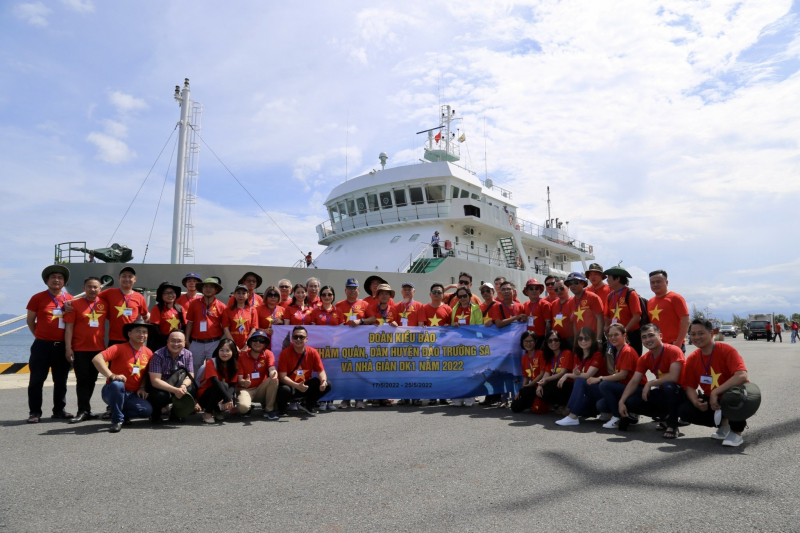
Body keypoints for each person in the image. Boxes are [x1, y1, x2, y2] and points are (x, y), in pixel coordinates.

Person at [677, 319, 751, 447]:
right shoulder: (693, 358)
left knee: (733, 397)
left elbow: (742, 375)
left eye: (701, 333)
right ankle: (724, 424)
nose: (696, 337)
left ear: (711, 333)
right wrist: (696, 402)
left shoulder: (726, 350)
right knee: (685, 410)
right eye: (693, 334)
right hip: (714, 401)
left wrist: (716, 392)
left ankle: (736, 431)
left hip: (734, 395)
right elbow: (690, 386)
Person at [616, 323, 685, 438]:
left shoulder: (674, 350)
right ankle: (664, 418)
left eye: (651, 335)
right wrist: (622, 401)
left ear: (660, 336)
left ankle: (672, 425)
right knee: (632, 401)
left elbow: (674, 377)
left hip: (681, 393)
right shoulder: (645, 358)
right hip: (664, 392)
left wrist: (651, 383)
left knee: (668, 386)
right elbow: (634, 381)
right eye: (644, 337)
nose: (648, 339)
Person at [25, 265, 75, 423]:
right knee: (36, 380)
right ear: (46, 280)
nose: (56, 280)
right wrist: (40, 336)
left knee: (61, 380)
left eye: (60, 278)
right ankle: (34, 412)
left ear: (64, 282)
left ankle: (59, 410)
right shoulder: (37, 298)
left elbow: (73, 323)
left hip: (61, 346)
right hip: (42, 346)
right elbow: (30, 320)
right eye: (53, 277)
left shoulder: (71, 299)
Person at [91, 318, 156, 433]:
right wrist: (111, 375)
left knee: (146, 411)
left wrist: (142, 387)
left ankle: (117, 411)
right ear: (129, 334)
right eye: (138, 331)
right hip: (112, 391)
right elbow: (97, 359)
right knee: (117, 384)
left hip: (132, 394)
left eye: (145, 332)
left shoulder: (148, 352)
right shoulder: (118, 348)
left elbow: (146, 372)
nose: (142, 334)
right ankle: (117, 420)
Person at [64, 276, 106, 424]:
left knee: (92, 380)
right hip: (80, 349)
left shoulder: (104, 304)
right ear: (84, 289)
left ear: (100, 289)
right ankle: (82, 411)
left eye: (95, 287)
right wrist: (68, 348)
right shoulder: (75, 304)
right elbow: (68, 327)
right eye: (89, 286)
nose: (92, 289)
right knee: (82, 380)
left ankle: (87, 410)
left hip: (98, 349)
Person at [596, 324, 646, 429]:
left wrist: (600, 378)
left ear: (624, 335)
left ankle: (617, 417)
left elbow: (622, 375)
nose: (612, 338)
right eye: (610, 335)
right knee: (601, 404)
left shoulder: (627, 351)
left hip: (636, 389)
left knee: (604, 385)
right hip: (625, 387)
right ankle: (629, 412)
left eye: (616, 334)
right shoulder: (618, 350)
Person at [554, 327, 607, 426]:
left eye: (586, 338)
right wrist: (576, 374)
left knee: (580, 381)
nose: (583, 341)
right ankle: (576, 412)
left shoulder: (597, 355)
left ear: (592, 339)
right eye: (580, 338)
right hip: (589, 393)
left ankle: (572, 416)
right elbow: (577, 376)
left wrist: (567, 374)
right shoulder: (577, 356)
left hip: (600, 390)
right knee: (583, 410)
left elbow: (587, 375)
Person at [276, 326, 332, 417]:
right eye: (295, 337)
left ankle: (307, 404)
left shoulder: (313, 352)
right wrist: (297, 386)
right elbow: (282, 377)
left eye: (301, 337)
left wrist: (323, 382)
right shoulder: (285, 353)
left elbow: (321, 371)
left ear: (306, 339)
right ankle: (282, 409)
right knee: (283, 389)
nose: (298, 339)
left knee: (328, 384)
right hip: (291, 386)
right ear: (292, 339)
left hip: (305, 386)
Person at [146, 330, 196, 424]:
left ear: (184, 343)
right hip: (161, 387)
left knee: (191, 389)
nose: (176, 344)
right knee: (160, 396)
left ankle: (176, 413)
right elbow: (155, 381)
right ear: (167, 342)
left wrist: (184, 386)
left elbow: (190, 375)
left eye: (179, 341)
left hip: (179, 385)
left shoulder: (188, 354)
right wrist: (174, 390)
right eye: (173, 341)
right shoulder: (158, 355)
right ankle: (155, 414)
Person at [449, 286, 483, 408]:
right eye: (460, 296)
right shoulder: (454, 308)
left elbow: (479, 326)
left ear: (469, 295)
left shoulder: (475, 308)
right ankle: (458, 395)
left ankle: (470, 395)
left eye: (465, 296)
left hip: (471, 344)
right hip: (457, 345)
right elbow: (452, 325)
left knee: (470, 372)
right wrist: (454, 325)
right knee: (458, 371)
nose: (462, 298)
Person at [185, 277, 227, 376]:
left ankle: (210, 390)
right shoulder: (194, 304)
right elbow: (190, 322)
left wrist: (216, 339)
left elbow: (225, 326)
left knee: (214, 368)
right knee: (192, 368)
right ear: (202, 289)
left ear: (216, 290)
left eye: (211, 287)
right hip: (196, 342)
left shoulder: (221, 306)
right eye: (206, 286)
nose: (208, 289)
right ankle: (192, 389)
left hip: (214, 343)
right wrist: (186, 340)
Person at [97, 266, 149, 346]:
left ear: (135, 279)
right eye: (124, 276)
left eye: (130, 276)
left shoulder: (139, 297)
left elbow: (145, 316)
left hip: (133, 339)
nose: (127, 279)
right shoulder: (109, 293)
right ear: (119, 278)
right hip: (114, 339)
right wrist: (71, 304)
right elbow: (92, 298)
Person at [236, 330, 279, 420]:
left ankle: (269, 409)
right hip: (246, 389)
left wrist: (273, 374)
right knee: (243, 409)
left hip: (260, 388)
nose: (258, 343)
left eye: (261, 341)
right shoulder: (242, 356)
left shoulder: (268, 353)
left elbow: (272, 368)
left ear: (265, 344)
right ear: (250, 342)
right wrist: (244, 382)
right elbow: (239, 379)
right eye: (255, 340)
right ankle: (248, 406)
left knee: (274, 379)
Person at [420, 283, 452, 406]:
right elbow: (420, 325)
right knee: (430, 371)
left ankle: (443, 395)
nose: (437, 294)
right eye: (434, 292)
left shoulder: (448, 309)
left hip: (443, 345)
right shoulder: (424, 308)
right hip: (428, 344)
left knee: (443, 371)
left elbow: (451, 327)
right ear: (430, 294)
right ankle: (432, 395)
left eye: (439, 292)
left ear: (443, 295)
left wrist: (447, 327)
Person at [196, 339, 239, 424]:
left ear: (233, 352)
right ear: (217, 351)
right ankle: (207, 413)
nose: (224, 353)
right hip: (204, 395)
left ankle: (216, 411)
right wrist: (228, 398)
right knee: (223, 385)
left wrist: (229, 399)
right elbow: (215, 381)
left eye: (228, 350)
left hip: (220, 393)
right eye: (221, 350)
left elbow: (232, 385)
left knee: (226, 387)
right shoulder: (211, 362)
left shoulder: (235, 365)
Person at [603, 265, 644, 355]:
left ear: (617, 279)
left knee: (633, 363)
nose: (607, 280)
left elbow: (637, 317)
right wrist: (606, 327)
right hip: (615, 336)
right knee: (617, 364)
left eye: (609, 278)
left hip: (631, 335)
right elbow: (607, 316)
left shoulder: (631, 294)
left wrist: (624, 331)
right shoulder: (610, 296)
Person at [646, 270, 690, 351]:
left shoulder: (676, 298)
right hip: (656, 345)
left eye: (658, 281)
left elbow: (686, 321)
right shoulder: (650, 302)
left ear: (666, 282)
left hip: (673, 344)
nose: (655, 284)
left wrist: (679, 342)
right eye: (652, 282)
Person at [535, 331, 575, 412]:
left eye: (556, 340)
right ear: (546, 343)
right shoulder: (550, 357)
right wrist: (540, 385)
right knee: (539, 391)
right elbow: (546, 374)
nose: (553, 342)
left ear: (560, 341)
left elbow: (562, 373)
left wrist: (547, 380)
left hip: (567, 384)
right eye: (550, 341)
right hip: (555, 383)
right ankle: (558, 405)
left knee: (554, 382)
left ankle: (565, 405)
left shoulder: (567, 353)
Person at [510, 332, 546, 412]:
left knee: (537, 410)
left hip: (541, 385)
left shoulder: (541, 354)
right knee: (515, 407)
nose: (528, 344)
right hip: (531, 387)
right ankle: (532, 402)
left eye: (531, 341)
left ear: (535, 342)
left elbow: (542, 373)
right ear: (522, 343)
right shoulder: (524, 358)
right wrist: (522, 391)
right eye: (526, 341)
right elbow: (526, 376)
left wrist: (527, 387)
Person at [148, 281, 185, 352]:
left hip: (177, 343)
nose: (170, 295)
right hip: (161, 343)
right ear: (161, 295)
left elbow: (184, 326)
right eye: (166, 293)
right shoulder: (157, 308)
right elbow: (155, 329)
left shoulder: (180, 308)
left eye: (172, 292)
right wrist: (167, 341)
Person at [565, 272, 604, 338]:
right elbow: (574, 323)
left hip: (593, 337)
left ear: (582, 283)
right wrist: (575, 343)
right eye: (570, 284)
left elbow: (600, 319)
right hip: (580, 340)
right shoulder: (571, 302)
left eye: (576, 283)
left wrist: (599, 339)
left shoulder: (592, 297)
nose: (572, 286)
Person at [222, 284, 257, 349]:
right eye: (238, 293)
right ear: (234, 295)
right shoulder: (227, 310)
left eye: (243, 293)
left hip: (248, 346)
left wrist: (247, 345)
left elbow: (253, 329)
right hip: (232, 346)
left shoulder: (252, 310)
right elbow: (226, 329)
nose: (241, 296)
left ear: (247, 295)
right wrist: (233, 345)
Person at [522, 279, 552, 349]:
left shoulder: (545, 304)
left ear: (540, 291)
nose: (534, 290)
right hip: (528, 339)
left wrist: (546, 341)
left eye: (536, 288)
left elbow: (548, 324)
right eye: (531, 289)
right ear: (527, 291)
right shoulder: (525, 305)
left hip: (541, 339)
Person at [550, 279, 574, 347]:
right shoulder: (553, 304)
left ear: (568, 287)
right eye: (556, 289)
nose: (559, 291)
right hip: (556, 340)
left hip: (570, 340)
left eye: (561, 288)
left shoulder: (573, 302)